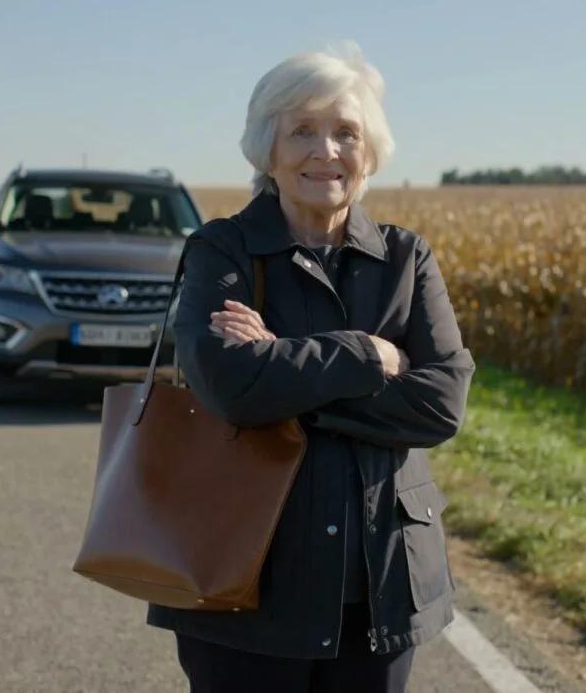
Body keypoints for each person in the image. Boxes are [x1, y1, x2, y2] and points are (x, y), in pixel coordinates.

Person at [146, 42, 475, 692]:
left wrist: (284, 371)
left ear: (369, 151)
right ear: (267, 148)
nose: (326, 151)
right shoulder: (222, 249)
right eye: (302, 130)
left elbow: (441, 403)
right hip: (244, 580)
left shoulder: (406, 258)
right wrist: (371, 355)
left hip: (379, 584)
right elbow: (231, 386)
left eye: (346, 132)